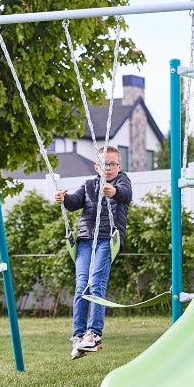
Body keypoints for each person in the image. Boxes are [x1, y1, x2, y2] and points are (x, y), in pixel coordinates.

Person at [55, 146, 132, 359]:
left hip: (108, 239)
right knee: (82, 284)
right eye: (104, 164)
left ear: (119, 166)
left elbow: (126, 195)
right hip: (86, 240)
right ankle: (78, 336)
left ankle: (94, 333)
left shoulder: (122, 182)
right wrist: (64, 197)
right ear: (96, 166)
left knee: (97, 282)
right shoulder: (89, 185)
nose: (108, 168)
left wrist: (113, 192)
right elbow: (74, 202)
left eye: (112, 164)